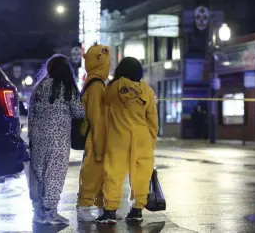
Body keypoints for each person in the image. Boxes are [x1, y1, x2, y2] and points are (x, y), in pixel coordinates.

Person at [96, 57, 158, 224]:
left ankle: (110, 211)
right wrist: (151, 140)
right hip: (142, 137)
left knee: (113, 173)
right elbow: (152, 120)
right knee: (142, 175)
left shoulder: (114, 87)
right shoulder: (148, 91)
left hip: (119, 137)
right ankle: (137, 209)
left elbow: (105, 100)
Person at [28, 54, 85, 225]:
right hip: (58, 140)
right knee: (54, 174)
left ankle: (38, 211)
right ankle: (50, 212)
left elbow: (31, 113)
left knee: (38, 173)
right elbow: (79, 112)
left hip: (38, 138)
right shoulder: (67, 88)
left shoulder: (39, 87)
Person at [76, 43, 111, 221]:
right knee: (93, 171)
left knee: (100, 174)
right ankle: (84, 207)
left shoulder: (92, 81)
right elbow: (97, 119)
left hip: (95, 136)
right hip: (96, 137)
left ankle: (99, 207)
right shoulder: (97, 85)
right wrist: (98, 148)